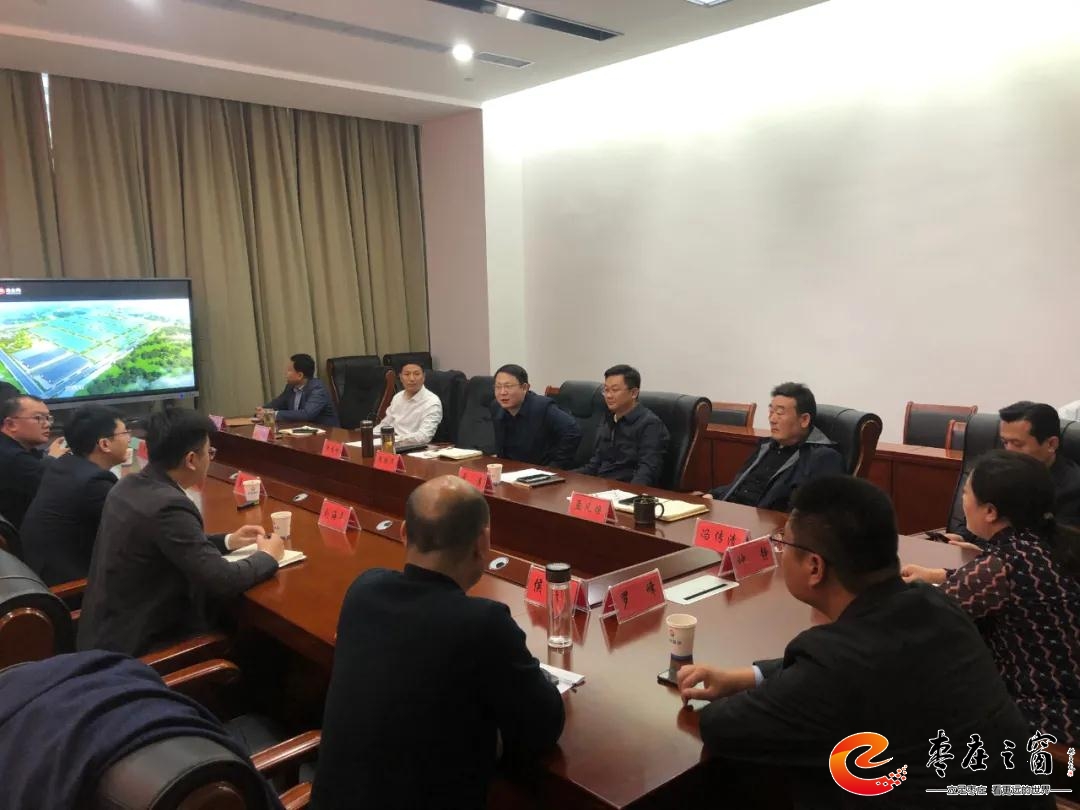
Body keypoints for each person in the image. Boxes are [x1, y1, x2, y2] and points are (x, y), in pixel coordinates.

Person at [679, 476, 1042, 808]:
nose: (780, 551)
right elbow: (846, 670)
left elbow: (721, 726)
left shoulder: (835, 663)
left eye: (783, 543)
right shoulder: (936, 605)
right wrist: (748, 676)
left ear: (815, 567)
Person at [312, 476, 564, 809]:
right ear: (483, 543)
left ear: (404, 533)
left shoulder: (363, 589)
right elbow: (544, 726)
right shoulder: (483, 623)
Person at [902, 451, 1080, 741]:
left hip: (1044, 714)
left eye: (966, 493)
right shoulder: (1049, 543)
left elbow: (925, 617)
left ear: (990, 512)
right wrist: (939, 575)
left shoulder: (1001, 565)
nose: (963, 500)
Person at [77, 410, 283, 656]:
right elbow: (223, 580)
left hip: (106, 632)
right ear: (191, 459)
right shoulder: (168, 505)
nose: (210, 459)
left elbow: (173, 543)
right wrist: (267, 557)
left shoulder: (128, 486)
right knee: (262, 645)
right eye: (210, 452)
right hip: (141, 649)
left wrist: (229, 541)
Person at [21, 405, 130, 586]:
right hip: (71, 587)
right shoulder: (94, 482)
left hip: (40, 571)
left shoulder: (64, 464)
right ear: (104, 444)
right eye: (125, 433)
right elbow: (131, 532)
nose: (129, 439)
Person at [946, 401, 1080, 541]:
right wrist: (960, 538)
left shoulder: (1073, 489)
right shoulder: (999, 473)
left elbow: (1057, 545)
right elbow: (975, 517)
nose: (1008, 451)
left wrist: (980, 550)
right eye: (1005, 442)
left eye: (1017, 444)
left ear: (1051, 444)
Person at [706, 382, 844, 511]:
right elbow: (742, 485)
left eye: (779, 413)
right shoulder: (766, 446)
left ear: (804, 420)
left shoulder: (823, 458)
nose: (772, 419)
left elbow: (811, 514)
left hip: (765, 522)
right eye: (771, 412)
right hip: (733, 512)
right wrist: (713, 495)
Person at [573, 364, 668, 485]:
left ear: (634, 393)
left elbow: (647, 472)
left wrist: (628, 495)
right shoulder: (609, 419)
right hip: (601, 486)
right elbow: (595, 465)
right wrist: (565, 478)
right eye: (606, 390)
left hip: (626, 490)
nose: (608, 396)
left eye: (615, 390)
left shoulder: (650, 425)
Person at [490, 364, 582, 469]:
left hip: (539, 470)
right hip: (510, 470)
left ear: (524, 388)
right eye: (498, 387)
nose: (502, 392)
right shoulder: (496, 407)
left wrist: (556, 465)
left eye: (508, 386)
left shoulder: (542, 407)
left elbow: (573, 431)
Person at [0, 394, 68, 531]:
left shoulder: (11, 448)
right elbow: (58, 489)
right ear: (11, 424)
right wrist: (52, 459)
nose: (47, 424)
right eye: (38, 418)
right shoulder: (14, 458)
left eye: (48, 418)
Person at [259, 353, 339, 427]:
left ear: (300, 375)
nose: (286, 373)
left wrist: (274, 415)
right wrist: (262, 410)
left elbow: (307, 414)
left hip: (326, 432)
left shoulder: (318, 388)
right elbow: (278, 403)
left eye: (289, 370)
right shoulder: (290, 387)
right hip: (301, 430)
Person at [373, 362, 442, 447]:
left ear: (424, 377)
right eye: (407, 374)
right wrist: (370, 435)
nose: (412, 379)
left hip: (415, 448)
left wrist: (396, 439)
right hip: (393, 444)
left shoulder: (432, 402)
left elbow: (424, 437)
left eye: (416, 374)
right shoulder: (397, 397)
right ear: (401, 377)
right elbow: (386, 424)